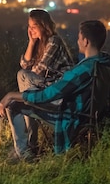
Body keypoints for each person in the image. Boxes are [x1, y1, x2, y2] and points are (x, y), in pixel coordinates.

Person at [0, 19, 110, 162]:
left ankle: (24, 153)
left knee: (13, 105)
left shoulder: (84, 69)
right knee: (28, 83)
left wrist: (13, 95)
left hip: (71, 115)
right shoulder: (104, 62)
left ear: (85, 41)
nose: (77, 41)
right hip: (89, 112)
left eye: (79, 38)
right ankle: (28, 145)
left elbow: (49, 95)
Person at [16, 9, 75, 151]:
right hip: (46, 83)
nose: (31, 30)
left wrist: (28, 74)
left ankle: (31, 141)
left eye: (34, 26)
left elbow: (39, 70)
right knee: (23, 76)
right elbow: (24, 64)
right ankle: (31, 141)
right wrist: (31, 43)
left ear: (43, 25)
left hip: (58, 87)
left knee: (23, 77)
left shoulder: (54, 41)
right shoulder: (38, 43)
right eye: (29, 26)